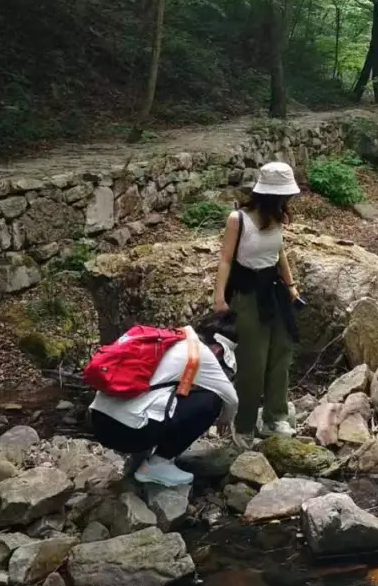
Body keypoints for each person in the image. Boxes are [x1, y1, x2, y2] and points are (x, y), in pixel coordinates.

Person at [214, 160, 302, 444]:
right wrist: (219, 298)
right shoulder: (237, 219)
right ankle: (244, 427)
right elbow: (226, 259)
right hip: (248, 292)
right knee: (253, 359)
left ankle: (275, 417)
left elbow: (280, 253)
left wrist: (291, 286)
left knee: (281, 352)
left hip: (274, 290)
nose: (286, 200)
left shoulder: (277, 217)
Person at [89, 322, 238, 486]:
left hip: (98, 422)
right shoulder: (201, 352)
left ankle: (139, 462)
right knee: (211, 400)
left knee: (154, 399)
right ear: (219, 350)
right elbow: (231, 399)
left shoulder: (165, 338)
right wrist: (224, 419)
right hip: (129, 434)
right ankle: (158, 464)